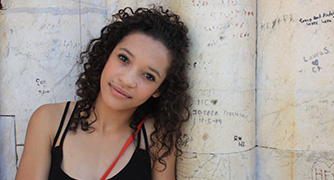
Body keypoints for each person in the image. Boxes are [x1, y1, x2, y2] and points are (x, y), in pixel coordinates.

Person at [15, 6, 191, 180]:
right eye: (124, 58)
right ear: (107, 54)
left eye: (148, 76)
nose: (127, 80)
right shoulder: (49, 120)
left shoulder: (158, 137)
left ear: (159, 89)